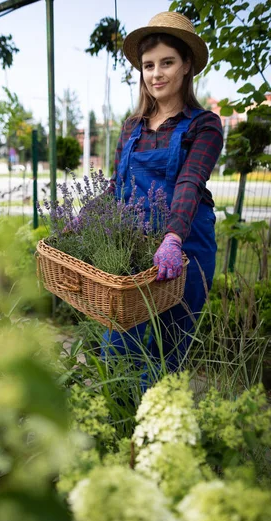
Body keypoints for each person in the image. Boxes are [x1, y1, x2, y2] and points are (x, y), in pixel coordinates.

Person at [101, 11, 224, 384]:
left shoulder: (204, 125)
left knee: (169, 348)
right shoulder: (132, 127)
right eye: (148, 65)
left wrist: (172, 237)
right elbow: (116, 186)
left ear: (186, 66)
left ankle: (155, 431)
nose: (156, 74)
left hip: (186, 250)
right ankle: (119, 425)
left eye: (167, 63)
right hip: (135, 250)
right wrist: (85, 216)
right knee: (118, 343)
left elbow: (189, 181)